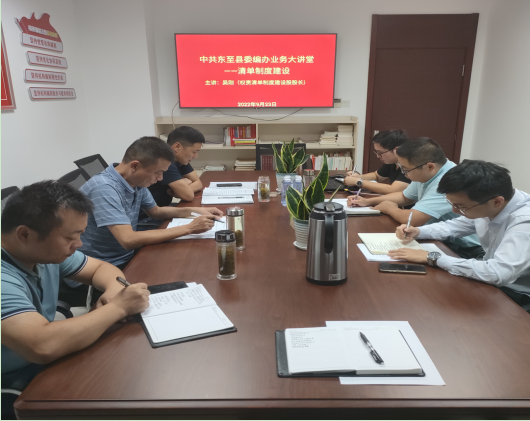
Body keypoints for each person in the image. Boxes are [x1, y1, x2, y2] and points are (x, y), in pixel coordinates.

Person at [1, 181, 150, 411]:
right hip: (15, 375)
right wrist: (120, 307)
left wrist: (113, 294)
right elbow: (41, 345)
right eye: (71, 237)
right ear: (24, 234)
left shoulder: (39, 252)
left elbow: (101, 268)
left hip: (44, 352)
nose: (78, 244)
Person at [389, 160, 530, 311]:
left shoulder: (524, 221)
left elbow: (498, 273)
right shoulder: (488, 203)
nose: (455, 211)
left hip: (516, 294)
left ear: (496, 202)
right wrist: (418, 231)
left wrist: (433, 257)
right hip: (491, 278)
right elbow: (454, 226)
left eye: (461, 207)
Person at [79, 136, 222, 269]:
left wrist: (197, 211)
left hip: (124, 256)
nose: (160, 179)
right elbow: (128, 239)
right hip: (101, 266)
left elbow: (156, 211)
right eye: (157, 172)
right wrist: (190, 228)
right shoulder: (104, 188)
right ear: (135, 166)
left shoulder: (135, 181)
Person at [348, 137, 481, 257]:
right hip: (439, 235)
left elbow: (414, 219)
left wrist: (390, 208)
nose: (404, 174)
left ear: (429, 166)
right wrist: (367, 201)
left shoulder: (446, 180)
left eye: (405, 170)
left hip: (465, 248)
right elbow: (404, 197)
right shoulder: (428, 172)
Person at [149, 126, 204, 204]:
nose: (196, 156)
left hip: (163, 208)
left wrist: (177, 192)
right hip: (152, 211)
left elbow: (199, 183)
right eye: (194, 152)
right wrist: (185, 188)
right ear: (177, 147)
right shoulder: (165, 163)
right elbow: (188, 196)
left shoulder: (181, 160)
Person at [344, 130, 411, 194]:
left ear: (396, 150)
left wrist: (359, 181)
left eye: (380, 153)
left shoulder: (409, 165)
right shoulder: (393, 162)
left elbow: (393, 189)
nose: (378, 156)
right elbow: (376, 176)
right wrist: (359, 177)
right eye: (377, 153)